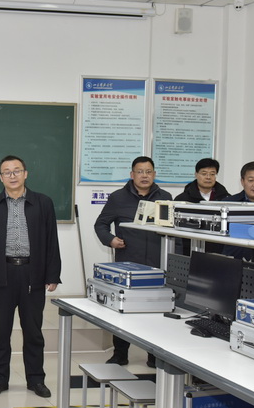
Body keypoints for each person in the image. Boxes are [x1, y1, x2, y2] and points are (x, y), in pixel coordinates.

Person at [0, 155, 61, 398]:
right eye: (7, 172)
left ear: (25, 174)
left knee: (33, 332)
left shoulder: (43, 203)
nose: (12, 176)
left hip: (33, 274)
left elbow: (52, 240)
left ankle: (36, 380)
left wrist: (53, 274)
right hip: (2, 274)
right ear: (0, 177)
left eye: (17, 171)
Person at [94, 157, 171, 366]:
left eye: (148, 171)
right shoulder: (118, 198)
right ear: (132, 174)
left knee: (156, 311)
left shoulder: (165, 197)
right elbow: (100, 225)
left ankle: (154, 355)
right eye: (140, 171)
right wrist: (110, 240)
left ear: (154, 174)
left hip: (157, 264)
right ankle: (120, 353)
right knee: (122, 310)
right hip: (127, 264)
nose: (144, 176)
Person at [174, 158, 230, 255]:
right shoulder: (182, 200)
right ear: (196, 174)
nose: (208, 177)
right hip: (189, 250)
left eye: (212, 174)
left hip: (219, 251)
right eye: (204, 173)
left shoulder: (226, 198)